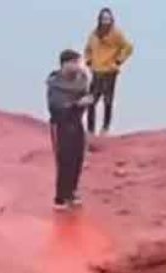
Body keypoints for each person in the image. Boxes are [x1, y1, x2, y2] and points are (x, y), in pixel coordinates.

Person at [47, 49, 93, 211]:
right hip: (60, 125)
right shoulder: (55, 82)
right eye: (74, 62)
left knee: (77, 159)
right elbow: (55, 107)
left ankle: (72, 193)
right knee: (64, 160)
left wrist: (87, 101)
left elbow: (87, 95)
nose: (77, 66)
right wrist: (75, 105)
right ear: (65, 64)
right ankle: (60, 198)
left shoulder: (82, 79)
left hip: (77, 123)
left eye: (78, 62)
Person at [84, 8, 134, 136]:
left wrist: (118, 61)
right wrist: (89, 61)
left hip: (110, 72)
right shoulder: (94, 34)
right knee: (91, 101)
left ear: (111, 20)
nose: (105, 21)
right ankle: (90, 130)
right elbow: (88, 49)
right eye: (103, 19)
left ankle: (105, 128)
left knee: (108, 101)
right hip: (96, 71)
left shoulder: (116, 33)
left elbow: (128, 47)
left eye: (108, 19)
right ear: (99, 20)